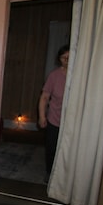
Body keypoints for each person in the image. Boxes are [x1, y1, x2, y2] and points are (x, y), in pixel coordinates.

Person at [38, 45, 70, 182]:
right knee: (52, 148)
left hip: (72, 121)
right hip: (54, 118)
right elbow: (44, 97)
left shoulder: (80, 77)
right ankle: (50, 173)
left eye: (69, 57)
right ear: (59, 59)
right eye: (64, 58)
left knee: (67, 151)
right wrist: (42, 116)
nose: (67, 60)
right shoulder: (54, 76)